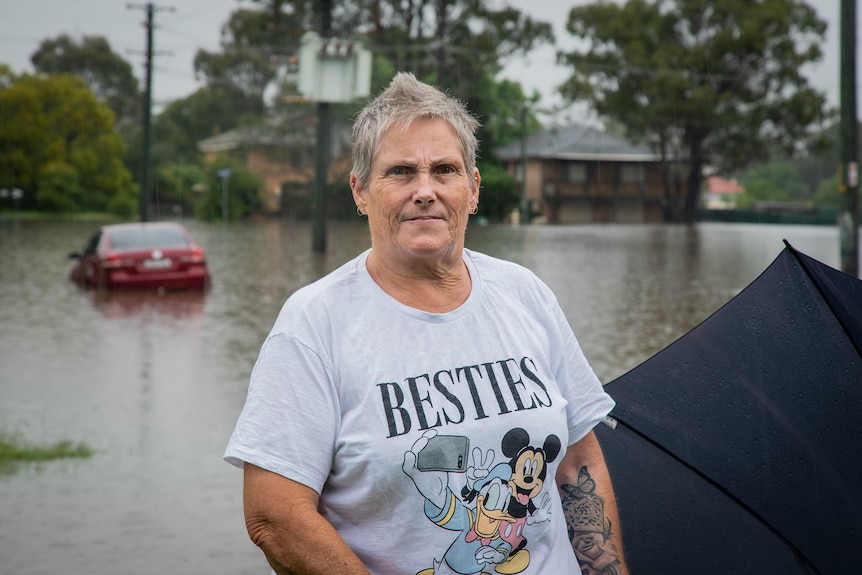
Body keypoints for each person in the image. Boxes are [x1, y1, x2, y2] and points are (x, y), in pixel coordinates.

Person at [224, 72, 628, 575]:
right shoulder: (313, 324)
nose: (425, 191)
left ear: (473, 188)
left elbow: (576, 461)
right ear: (360, 191)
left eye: (444, 170)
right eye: (400, 172)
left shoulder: (524, 293)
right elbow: (274, 515)